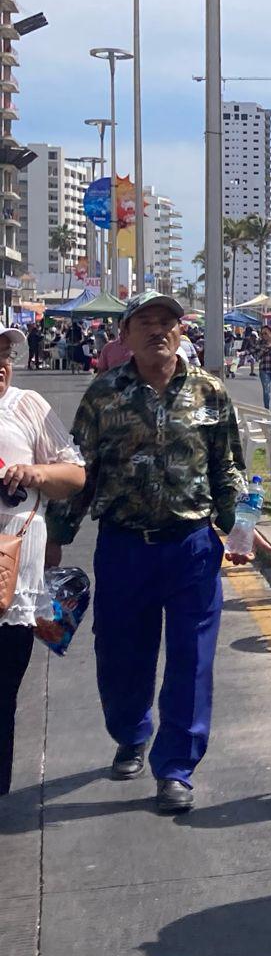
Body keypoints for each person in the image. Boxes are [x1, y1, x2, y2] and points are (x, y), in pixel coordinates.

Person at [46, 291, 247, 815]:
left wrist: (240, 529)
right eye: (147, 322)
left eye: (169, 322)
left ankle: (176, 767)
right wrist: (55, 537)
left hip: (192, 548)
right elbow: (81, 469)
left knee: (193, 660)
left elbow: (228, 467)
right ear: (126, 334)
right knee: (120, 652)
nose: (159, 330)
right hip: (124, 546)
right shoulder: (104, 394)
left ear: (183, 332)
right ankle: (130, 732)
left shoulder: (211, 393)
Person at [0, 328, 86, 794]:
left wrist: (37, 472)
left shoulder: (28, 405)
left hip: (11, 583)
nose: (1, 363)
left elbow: (73, 474)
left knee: (3, 691)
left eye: (5, 354)